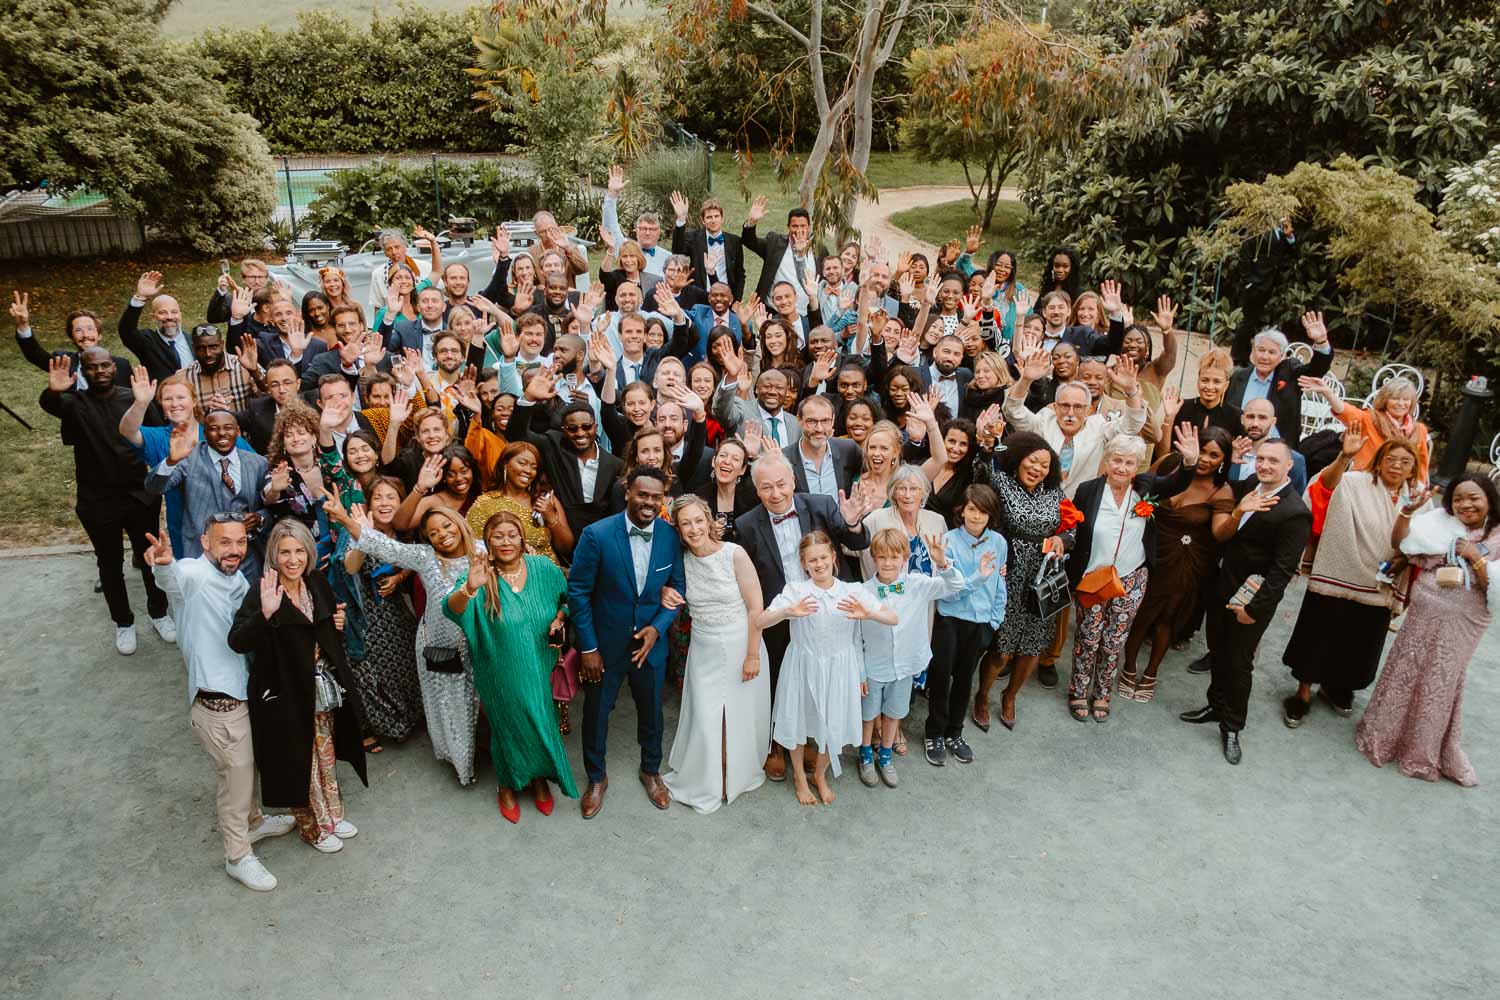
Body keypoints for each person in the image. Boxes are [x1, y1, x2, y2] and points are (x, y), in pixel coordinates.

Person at [143, 518, 295, 891]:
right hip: (217, 704)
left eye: (241, 542)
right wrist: (162, 564)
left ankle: (254, 821)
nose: (234, 549)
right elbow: (173, 581)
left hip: (244, 692)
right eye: (224, 542)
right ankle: (237, 855)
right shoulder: (192, 573)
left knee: (248, 767)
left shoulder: (238, 579)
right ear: (205, 542)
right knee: (236, 779)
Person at [228, 519, 368, 854]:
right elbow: (237, 641)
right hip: (285, 695)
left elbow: (323, 627)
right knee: (299, 760)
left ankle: (331, 815)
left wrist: (337, 622)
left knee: (325, 753)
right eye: (284, 551)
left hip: (319, 689)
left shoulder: (316, 581)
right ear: (273, 555)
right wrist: (264, 614)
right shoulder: (263, 590)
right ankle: (311, 828)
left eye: (299, 550)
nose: (293, 559)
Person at [1355, 474, 1499, 786]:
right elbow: (1404, 545)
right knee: (1405, 669)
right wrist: (1407, 514)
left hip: (1464, 620)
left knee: (1441, 678)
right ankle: (1384, 736)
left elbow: (1494, 589)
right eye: (1458, 498)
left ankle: (1421, 751)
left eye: (1474, 497)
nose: (1465, 504)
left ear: (1489, 499)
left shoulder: (1497, 535)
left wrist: (1475, 558)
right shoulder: (1441, 522)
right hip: (1424, 610)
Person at [1180, 439, 1312, 766]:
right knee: (1218, 650)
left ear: (1288, 466)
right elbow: (1224, 486)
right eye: (1261, 458)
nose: (1264, 465)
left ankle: (1233, 726)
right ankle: (1215, 705)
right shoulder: (1253, 484)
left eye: (1272, 461)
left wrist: (1252, 610)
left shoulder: (1295, 512)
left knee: (1239, 663)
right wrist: (1233, 461)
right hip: (1223, 586)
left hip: (1251, 601)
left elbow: (1282, 572)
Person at [566, 467, 686, 819]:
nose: (649, 502)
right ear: (627, 492)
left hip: (651, 644)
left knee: (652, 712)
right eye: (642, 495)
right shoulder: (596, 535)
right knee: (597, 713)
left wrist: (658, 628)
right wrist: (588, 647)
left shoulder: (669, 535)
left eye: (656, 497)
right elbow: (578, 591)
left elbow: (678, 587)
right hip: (604, 644)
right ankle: (596, 778)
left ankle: (651, 771)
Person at [337, 502, 483, 786]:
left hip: (482, 644)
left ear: (459, 523)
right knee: (453, 706)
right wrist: (347, 521)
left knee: (485, 703)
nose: (442, 534)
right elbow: (386, 548)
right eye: (433, 533)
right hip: (443, 647)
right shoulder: (426, 557)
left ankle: (492, 754)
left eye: (446, 526)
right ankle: (464, 766)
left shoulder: (482, 551)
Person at [1281, 433, 1421, 727]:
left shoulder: (1418, 497)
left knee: (1361, 639)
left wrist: (1406, 558)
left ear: (1414, 467)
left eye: (1405, 462)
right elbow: (1323, 487)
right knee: (1318, 632)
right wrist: (1344, 457)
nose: (1396, 466)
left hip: (1382, 580)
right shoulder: (1354, 482)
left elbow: (1424, 539)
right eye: (1390, 459)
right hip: (1339, 569)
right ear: (1379, 461)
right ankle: (1303, 692)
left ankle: (1336, 686)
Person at [445, 510, 577, 822]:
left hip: (540, 665)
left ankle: (539, 779)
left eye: (512, 535)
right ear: (487, 542)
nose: (506, 542)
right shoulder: (480, 575)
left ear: (522, 539)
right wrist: (469, 589)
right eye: (497, 536)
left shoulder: (544, 568)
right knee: (508, 725)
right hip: (499, 669)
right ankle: (507, 783)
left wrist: (561, 617)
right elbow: (452, 610)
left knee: (540, 719)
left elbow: (568, 599)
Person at [39, 352, 175, 654]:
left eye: (104, 365)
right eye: (92, 367)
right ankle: (123, 622)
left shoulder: (134, 398)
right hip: (97, 500)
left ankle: (159, 612)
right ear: (84, 371)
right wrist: (53, 391)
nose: (99, 371)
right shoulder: (75, 404)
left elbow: (159, 434)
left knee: (150, 555)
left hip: (139, 495)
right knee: (109, 563)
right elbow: (50, 405)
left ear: (114, 367)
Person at [1064, 431, 1198, 723]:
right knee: (1088, 638)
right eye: (1116, 460)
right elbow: (1072, 526)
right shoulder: (1088, 490)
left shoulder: (1146, 488)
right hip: (1093, 576)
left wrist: (1190, 462)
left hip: (1132, 578)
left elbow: (1177, 482)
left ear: (1137, 465)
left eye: (1129, 462)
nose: (1122, 468)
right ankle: (1078, 690)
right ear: (1106, 460)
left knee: (1114, 640)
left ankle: (1102, 693)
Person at [760, 531, 895, 806]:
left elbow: (892, 617)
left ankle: (819, 774)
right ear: (804, 564)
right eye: (812, 560)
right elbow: (760, 620)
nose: (819, 564)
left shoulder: (852, 591)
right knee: (796, 721)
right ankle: (799, 776)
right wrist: (787, 612)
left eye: (823, 557)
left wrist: (868, 613)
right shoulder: (795, 591)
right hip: (803, 664)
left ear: (834, 558)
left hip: (839, 668)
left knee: (832, 725)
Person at [656, 495, 771, 813]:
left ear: (708, 520)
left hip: (740, 643)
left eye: (698, 520)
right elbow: (661, 588)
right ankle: (708, 778)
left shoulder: (734, 554)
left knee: (736, 716)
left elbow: (756, 607)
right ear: (678, 530)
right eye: (685, 523)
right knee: (707, 717)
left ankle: (731, 775)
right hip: (704, 647)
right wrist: (664, 591)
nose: (693, 528)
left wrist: (752, 655)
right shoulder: (680, 562)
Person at [1120, 427, 1236, 702]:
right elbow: (1143, 485)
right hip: (1149, 552)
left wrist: (1240, 512)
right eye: (1203, 450)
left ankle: (1151, 672)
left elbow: (1220, 533)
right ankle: (1128, 666)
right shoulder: (1173, 464)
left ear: (1224, 460)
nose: (1206, 459)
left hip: (1185, 561)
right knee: (1142, 613)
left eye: (1214, 455)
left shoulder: (1221, 490)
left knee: (1167, 618)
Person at [974, 433, 1076, 731]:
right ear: (1019, 458)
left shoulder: (1055, 494)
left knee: (1032, 648)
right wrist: (986, 445)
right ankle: (982, 697)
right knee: (1002, 648)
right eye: (1033, 460)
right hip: (1009, 574)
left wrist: (1062, 538)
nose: (1037, 468)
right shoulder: (1001, 483)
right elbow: (980, 471)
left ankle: (1010, 696)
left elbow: (1073, 529)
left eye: (1045, 464)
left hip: (1044, 578)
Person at [856, 527, 967, 785]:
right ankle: (864, 754)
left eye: (894, 557)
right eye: (882, 557)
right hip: (873, 665)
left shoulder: (918, 584)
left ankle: (885, 755)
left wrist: (941, 561)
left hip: (905, 665)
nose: (888, 563)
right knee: (869, 714)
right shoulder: (863, 591)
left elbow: (956, 585)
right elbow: (855, 637)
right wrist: (860, 671)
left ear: (904, 559)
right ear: (874, 558)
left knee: (894, 713)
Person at [335, 477, 424, 751]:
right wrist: (364, 536)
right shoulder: (356, 527)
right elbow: (349, 567)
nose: (384, 503)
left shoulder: (404, 532)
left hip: (397, 614)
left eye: (391, 497)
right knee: (370, 675)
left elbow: (417, 558)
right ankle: (383, 725)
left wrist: (399, 578)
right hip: (366, 616)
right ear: (369, 502)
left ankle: (407, 719)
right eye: (378, 497)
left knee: (403, 668)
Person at [926, 485, 1008, 762]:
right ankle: (934, 732)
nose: (976, 517)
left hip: (981, 622)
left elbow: (1000, 585)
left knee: (964, 680)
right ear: (962, 511)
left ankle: (954, 732)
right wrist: (978, 577)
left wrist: (994, 622)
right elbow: (951, 590)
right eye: (972, 509)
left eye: (983, 511)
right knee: (941, 677)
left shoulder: (998, 542)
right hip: (950, 619)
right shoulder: (946, 541)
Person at [1004, 343, 1147, 498]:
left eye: (1078, 407)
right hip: (1039, 503)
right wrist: (1025, 380)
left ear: (1088, 410)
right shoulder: (1044, 421)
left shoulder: (1099, 427)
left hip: (1080, 507)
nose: (1070, 413)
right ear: (1056, 407)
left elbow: (1132, 424)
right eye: (1065, 406)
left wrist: (1131, 390)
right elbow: (1013, 411)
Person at [146, 409, 269, 578]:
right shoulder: (189, 459)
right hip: (203, 556)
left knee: (251, 603)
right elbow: (154, 488)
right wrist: (171, 461)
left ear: (238, 431)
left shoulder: (258, 463)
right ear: (205, 433)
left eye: (228, 427)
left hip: (247, 557)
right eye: (214, 428)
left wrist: (259, 518)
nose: (222, 433)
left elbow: (273, 508)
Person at [1225, 311, 1332, 448]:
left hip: (1278, 450)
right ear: (1253, 350)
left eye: (1271, 352)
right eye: (1261, 350)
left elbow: (1316, 370)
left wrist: (1321, 341)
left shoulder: (1289, 373)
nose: (1265, 357)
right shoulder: (1238, 377)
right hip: (1240, 448)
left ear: (1281, 355)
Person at [1299, 374, 1432, 484]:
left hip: (1400, 485)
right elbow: (1345, 411)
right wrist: (1328, 393)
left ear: (1412, 402)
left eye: (1406, 400)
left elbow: (1421, 466)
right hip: (1367, 482)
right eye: (1395, 398)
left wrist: (1419, 489)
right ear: (1385, 400)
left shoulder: (1419, 430)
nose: (1401, 403)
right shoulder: (1369, 419)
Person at [465, 441, 574, 562]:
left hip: (548, 573)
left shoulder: (545, 498)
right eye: (522, 463)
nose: (528, 470)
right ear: (505, 464)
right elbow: (474, 549)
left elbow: (566, 548)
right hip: (506, 576)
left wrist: (551, 517)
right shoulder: (484, 503)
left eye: (534, 467)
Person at [11, 291, 131, 388]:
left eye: (90, 329)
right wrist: (23, 325)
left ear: (99, 335)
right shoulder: (63, 362)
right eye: (78, 330)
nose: (85, 335)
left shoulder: (122, 365)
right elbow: (34, 354)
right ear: (72, 337)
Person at [118, 270, 193, 381]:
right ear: (153, 317)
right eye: (163, 312)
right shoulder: (147, 342)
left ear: (180, 315)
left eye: (174, 312)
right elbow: (126, 330)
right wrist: (140, 297)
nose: (169, 317)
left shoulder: (194, 340)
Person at [670, 193, 746, 300]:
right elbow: (677, 251)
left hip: (726, 297)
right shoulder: (693, 238)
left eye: (716, 216)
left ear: (722, 218)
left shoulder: (734, 241)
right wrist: (681, 219)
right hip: (699, 295)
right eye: (709, 217)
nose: (713, 220)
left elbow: (740, 274)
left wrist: (737, 300)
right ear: (703, 221)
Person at [785, 394, 861, 499]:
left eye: (825, 421)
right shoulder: (784, 458)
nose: (819, 429)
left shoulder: (848, 449)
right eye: (811, 421)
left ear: (833, 420)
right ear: (799, 420)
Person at [1226, 398, 1308, 493]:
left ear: (1273, 421)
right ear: (1242, 419)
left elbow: (1296, 499)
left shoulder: (1294, 459)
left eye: (1262, 417)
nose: (1255, 423)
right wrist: (1228, 460)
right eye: (1250, 417)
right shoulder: (1228, 452)